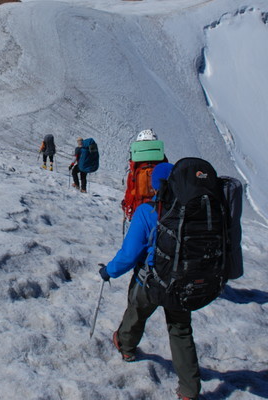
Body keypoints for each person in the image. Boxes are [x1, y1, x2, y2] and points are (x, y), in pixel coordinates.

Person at [98, 162, 201, 400]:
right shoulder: (192, 212)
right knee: (181, 331)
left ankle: (126, 347)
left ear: (155, 186)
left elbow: (129, 255)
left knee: (136, 312)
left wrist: (109, 272)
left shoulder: (147, 212)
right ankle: (189, 389)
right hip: (183, 282)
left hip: (151, 280)